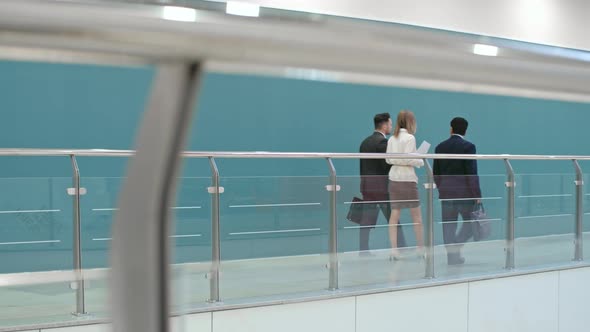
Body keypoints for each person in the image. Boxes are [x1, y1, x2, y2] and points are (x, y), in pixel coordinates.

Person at [433, 117, 482, 265]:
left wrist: (442, 188)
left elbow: (436, 173)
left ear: (451, 129)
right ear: (465, 131)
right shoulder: (469, 147)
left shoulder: (440, 147)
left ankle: (452, 257)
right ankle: (457, 246)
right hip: (464, 194)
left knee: (448, 226)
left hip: (446, 194)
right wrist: (477, 194)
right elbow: (471, 173)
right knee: (469, 223)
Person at [359, 113, 407, 255]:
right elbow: (386, 165)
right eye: (390, 124)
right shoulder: (382, 142)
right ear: (384, 125)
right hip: (381, 188)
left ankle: (363, 249)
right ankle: (403, 247)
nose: (391, 127)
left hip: (367, 187)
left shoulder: (365, 142)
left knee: (366, 220)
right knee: (394, 218)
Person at [386, 110, 424, 260]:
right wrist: (420, 160)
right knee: (417, 216)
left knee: (394, 215)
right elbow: (409, 159)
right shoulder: (410, 138)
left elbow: (388, 160)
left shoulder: (391, 139)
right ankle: (420, 248)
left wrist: (399, 159)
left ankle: (394, 250)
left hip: (394, 178)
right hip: (407, 179)